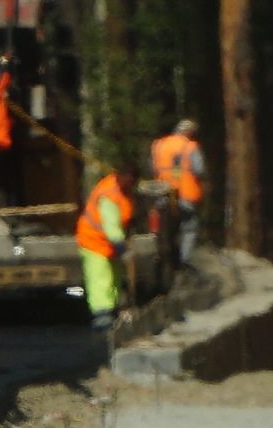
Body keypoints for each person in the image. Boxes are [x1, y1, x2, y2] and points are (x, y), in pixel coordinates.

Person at [77, 162, 140, 330]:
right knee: (100, 277)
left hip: (108, 243)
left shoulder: (124, 189)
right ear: (121, 177)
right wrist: (122, 248)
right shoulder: (109, 194)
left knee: (114, 277)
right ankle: (101, 314)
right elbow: (111, 226)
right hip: (94, 240)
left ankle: (112, 310)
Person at [150, 119, 205, 264]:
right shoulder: (190, 147)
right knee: (189, 227)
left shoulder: (159, 145)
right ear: (190, 132)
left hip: (162, 193)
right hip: (185, 194)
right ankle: (184, 261)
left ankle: (159, 254)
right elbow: (199, 169)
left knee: (162, 227)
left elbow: (153, 168)